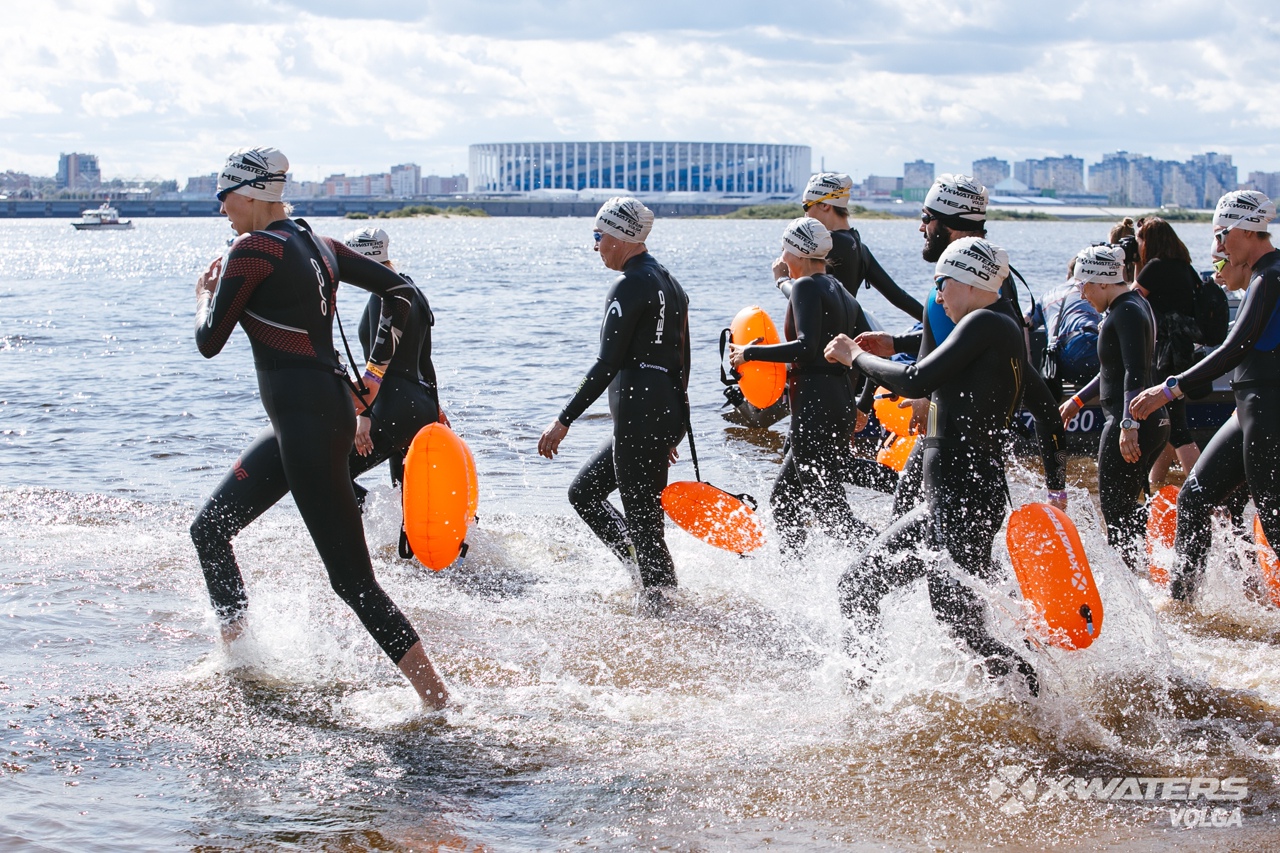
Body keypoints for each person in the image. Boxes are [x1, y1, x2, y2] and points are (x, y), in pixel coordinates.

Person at [190, 147, 447, 709]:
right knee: (209, 530)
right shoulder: (318, 244)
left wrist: (204, 295)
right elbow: (400, 291)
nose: (221, 211)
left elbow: (209, 342)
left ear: (248, 194)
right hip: (312, 419)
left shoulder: (252, 249)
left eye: (222, 198)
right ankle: (240, 660)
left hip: (308, 425)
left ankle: (438, 699)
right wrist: (375, 376)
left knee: (353, 582)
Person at [826, 237, 1040, 696]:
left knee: (961, 629)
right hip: (955, 502)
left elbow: (916, 378)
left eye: (942, 285)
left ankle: (1044, 707)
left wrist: (856, 357)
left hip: (962, 503)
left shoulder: (987, 323)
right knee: (858, 587)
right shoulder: (997, 325)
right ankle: (863, 695)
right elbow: (1037, 397)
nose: (938, 296)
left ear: (968, 280)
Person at [853, 174, 1068, 517]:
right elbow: (942, 340)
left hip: (962, 444)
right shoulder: (959, 279)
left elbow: (1006, 365)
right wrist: (895, 345)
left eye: (926, 218)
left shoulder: (985, 288)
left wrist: (1056, 487)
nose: (920, 228)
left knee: (926, 545)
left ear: (949, 224)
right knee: (916, 542)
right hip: (939, 435)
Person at [537, 197, 690, 611]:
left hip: (642, 415)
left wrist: (564, 419)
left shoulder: (629, 283)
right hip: (659, 412)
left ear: (620, 237)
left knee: (644, 525)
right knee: (584, 493)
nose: (595, 246)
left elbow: (608, 361)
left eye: (598, 236)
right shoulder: (670, 281)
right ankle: (644, 578)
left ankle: (663, 609)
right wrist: (674, 425)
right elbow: (682, 358)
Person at [1129, 190, 1280, 601]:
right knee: (1195, 499)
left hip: (1269, 412)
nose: (1216, 248)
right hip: (1249, 410)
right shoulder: (1262, 278)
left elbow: (1235, 349)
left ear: (1248, 230)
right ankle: (1184, 606)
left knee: (1275, 521)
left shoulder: (1271, 276)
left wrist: (1169, 387)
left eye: (1221, 236)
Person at [729, 218, 874, 553]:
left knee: (829, 511)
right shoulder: (841, 293)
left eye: (784, 250)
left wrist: (750, 352)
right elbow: (867, 349)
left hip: (814, 406)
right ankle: (794, 570)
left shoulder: (808, 287)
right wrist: (862, 406)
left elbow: (806, 347)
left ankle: (897, 557)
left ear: (797, 251)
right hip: (838, 402)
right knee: (784, 499)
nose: (782, 257)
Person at [1058, 246, 1169, 573]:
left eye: (1084, 285)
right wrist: (1079, 400)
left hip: (1134, 422)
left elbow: (1135, 371)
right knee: (1130, 507)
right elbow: (1113, 368)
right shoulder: (1136, 305)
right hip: (1152, 423)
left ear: (1102, 281)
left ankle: (1134, 581)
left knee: (1116, 511)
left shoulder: (1125, 312)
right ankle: (1151, 567)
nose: (1081, 293)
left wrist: (1127, 425)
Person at [343, 226, 443, 510]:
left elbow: (378, 363)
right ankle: (410, 549)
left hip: (391, 407)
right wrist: (435, 409)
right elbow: (426, 361)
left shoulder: (382, 297)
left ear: (360, 261)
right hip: (419, 406)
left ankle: (376, 514)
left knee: (330, 474)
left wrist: (363, 414)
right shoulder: (411, 292)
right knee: (407, 496)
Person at [779, 172, 923, 322]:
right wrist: (934, 322)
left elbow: (807, 301)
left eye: (806, 205)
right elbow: (898, 296)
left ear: (824, 205)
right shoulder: (860, 246)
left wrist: (782, 280)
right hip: (847, 335)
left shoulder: (829, 244)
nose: (805, 215)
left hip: (823, 339)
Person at [1133, 217, 1204, 488]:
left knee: (1177, 426)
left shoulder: (1155, 267)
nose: (1138, 244)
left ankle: (1205, 492)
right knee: (1169, 422)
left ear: (1150, 241)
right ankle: (1156, 487)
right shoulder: (1186, 267)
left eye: (1140, 239)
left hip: (1163, 355)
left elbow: (1128, 300)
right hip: (1183, 353)